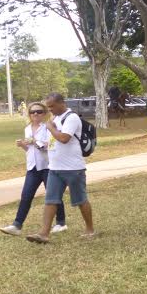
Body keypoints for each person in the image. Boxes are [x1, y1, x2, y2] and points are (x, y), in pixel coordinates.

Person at [27, 93, 95, 243]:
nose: (50, 110)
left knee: (81, 200)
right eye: (48, 107)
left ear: (61, 103)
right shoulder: (55, 118)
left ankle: (90, 229)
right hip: (55, 168)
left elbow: (64, 138)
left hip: (73, 168)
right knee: (50, 200)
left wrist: (50, 128)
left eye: (52, 106)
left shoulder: (71, 118)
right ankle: (43, 234)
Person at [1, 102, 66, 236]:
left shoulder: (49, 127)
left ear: (45, 113)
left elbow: (51, 146)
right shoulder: (28, 128)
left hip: (48, 166)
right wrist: (22, 145)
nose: (35, 114)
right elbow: (29, 149)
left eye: (39, 111)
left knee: (53, 195)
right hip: (32, 167)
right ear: (29, 114)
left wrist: (35, 142)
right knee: (26, 196)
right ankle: (17, 225)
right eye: (32, 112)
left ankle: (61, 222)